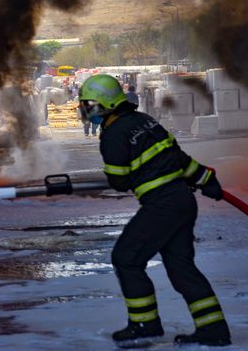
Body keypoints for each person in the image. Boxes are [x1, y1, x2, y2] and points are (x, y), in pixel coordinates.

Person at [78, 74, 231, 347]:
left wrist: (118, 172)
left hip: (162, 205)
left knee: (126, 258)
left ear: (106, 103)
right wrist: (206, 179)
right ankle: (214, 329)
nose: (86, 109)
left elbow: (119, 181)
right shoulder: (144, 121)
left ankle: (144, 325)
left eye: (90, 104)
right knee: (181, 268)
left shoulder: (113, 134)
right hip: (183, 201)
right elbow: (178, 157)